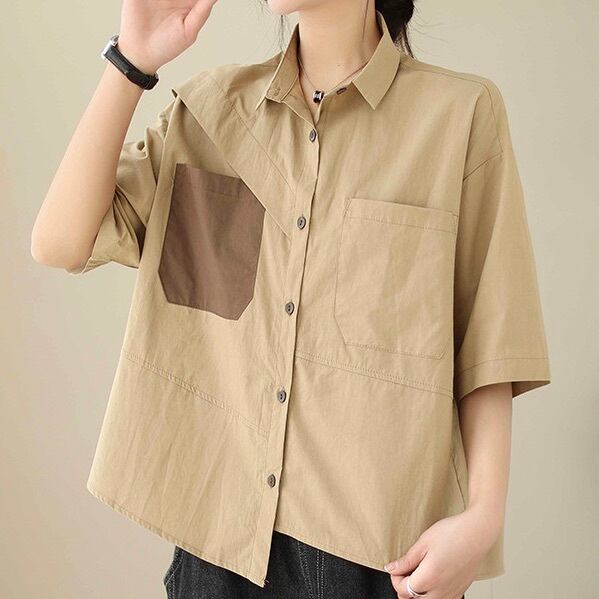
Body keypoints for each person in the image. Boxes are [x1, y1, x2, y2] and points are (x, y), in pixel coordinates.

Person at [31, 0, 552, 597]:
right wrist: (132, 61)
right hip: (218, 551)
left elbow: (490, 341)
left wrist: (482, 518)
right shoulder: (211, 112)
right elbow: (59, 243)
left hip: (380, 559)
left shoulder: (459, 116)